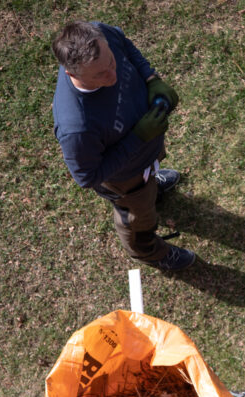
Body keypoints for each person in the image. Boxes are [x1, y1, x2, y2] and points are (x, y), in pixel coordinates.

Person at [52, 21, 197, 272]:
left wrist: (152, 79)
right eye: (100, 75)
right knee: (138, 221)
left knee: (148, 180)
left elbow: (126, 46)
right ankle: (149, 252)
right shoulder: (76, 126)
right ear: (72, 74)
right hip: (126, 180)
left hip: (146, 154)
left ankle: (152, 183)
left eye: (111, 62)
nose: (112, 75)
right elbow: (87, 176)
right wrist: (139, 138)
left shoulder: (100, 33)